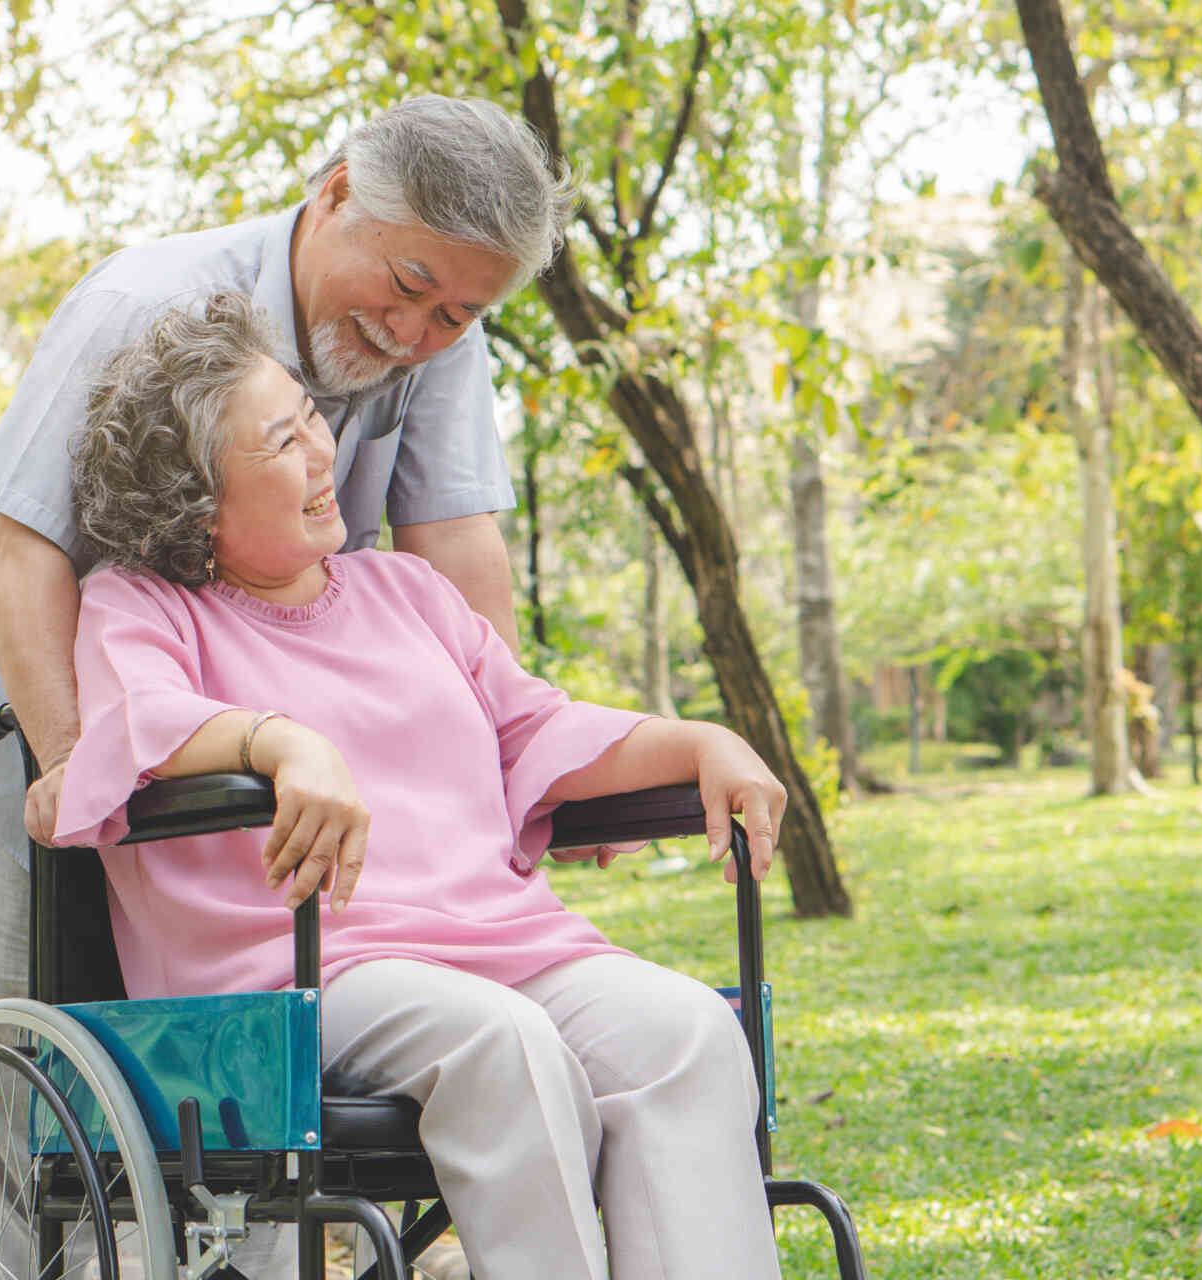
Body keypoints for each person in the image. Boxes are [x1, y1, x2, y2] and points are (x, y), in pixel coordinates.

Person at [0, 96, 570, 1275]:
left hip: (251, 754)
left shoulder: (439, 341)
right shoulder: (141, 302)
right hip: (34, 729)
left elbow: (456, 549)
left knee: (238, 1109)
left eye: (459, 309)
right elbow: (29, 553)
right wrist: (71, 768)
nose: (416, 330)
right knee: (37, 1123)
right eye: (406, 284)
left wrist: (499, 768)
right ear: (335, 194)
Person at [52, 292, 786, 1279]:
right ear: (196, 497)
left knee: (685, 1028)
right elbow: (132, 725)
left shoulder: (408, 591)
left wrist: (701, 740)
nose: (321, 453)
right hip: (302, 974)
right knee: (504, 1043)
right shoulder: (139, 606)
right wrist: (280, 742)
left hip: (504, 941)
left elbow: (537, 727)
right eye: (281, 442)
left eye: (311, 417)